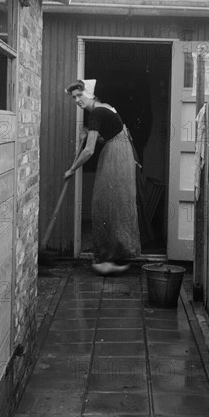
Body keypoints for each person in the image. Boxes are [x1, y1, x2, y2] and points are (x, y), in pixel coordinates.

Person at [64, 79, 141, 275]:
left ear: (89, 93)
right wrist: (90, 134)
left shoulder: (96, 113)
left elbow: (89, 150)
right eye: (74, 97)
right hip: (120, 152)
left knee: (105, 203)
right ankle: (113, 255)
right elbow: (108, 135)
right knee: (114, 202)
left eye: (80, 95)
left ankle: (109, 257)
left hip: (116, 155)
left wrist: (72, 169)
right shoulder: (104, 107)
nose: (77, 100)